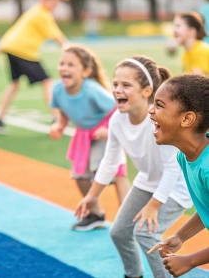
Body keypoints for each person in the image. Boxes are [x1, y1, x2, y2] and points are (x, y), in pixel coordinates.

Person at [75, 56, 192, 278]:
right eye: (116, 84)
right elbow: (110, 161)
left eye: (126, 85)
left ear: (147, 91)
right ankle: (133, 275)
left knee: (147, 234)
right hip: (148, 181)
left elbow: (172, 169)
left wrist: (153, 206)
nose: (118, 90)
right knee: (119, 232)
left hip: (177, 186)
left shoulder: (159, 120)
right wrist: (92, 196)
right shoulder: (118, 120)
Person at [50, 45, 130, 231]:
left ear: (86, 71)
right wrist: (59, 126)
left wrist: (106, 128)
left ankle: (128, 219)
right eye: (62, 63)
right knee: (81, 177)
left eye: (71, 65)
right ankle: (95, 215)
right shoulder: (57, 89)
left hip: (104, 134)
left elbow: (116, 107)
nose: (64, 68)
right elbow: (63, 110)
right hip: (82, 135)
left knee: (113, 174)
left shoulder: (92, 89)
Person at [0, 0, 70, 134]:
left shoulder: (35, 11)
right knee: (47, 82)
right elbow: (58, 38)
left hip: (13, 50)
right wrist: (73, 52)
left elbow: (11, 37)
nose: (56, 5)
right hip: (24, 52)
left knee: (14, 84)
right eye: (54, 1)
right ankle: (56, 117)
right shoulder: (41, 14)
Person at [147, 74, 209, 277]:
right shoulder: (185, 157)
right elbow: (206, 206)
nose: (150, 110)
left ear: (187, 119)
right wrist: (181, 236)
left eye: (159, 105)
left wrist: (191, 261)